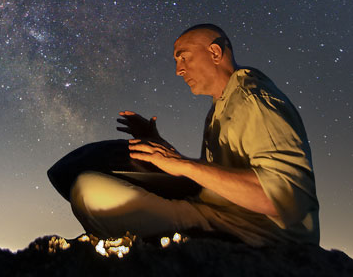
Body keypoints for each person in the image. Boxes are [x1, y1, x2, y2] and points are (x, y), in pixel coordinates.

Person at [47, 23, 319, 245]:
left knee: (88, 191)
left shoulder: (255, 101)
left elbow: (285, 199)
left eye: (184, 57)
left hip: (257, 232)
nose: (178, 70)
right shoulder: (222, 106)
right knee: (90, 179)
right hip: (219, 212)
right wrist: (159, 145)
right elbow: (219, 176)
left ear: (215, 53)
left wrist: (183, 165)